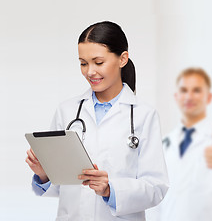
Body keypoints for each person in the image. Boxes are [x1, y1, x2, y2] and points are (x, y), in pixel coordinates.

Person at [25, 21, 169, 221]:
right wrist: (44, 174)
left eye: (98, 62)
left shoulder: (144, 115)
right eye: (83, 63)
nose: (90, 71)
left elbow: (156, 187)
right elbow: (62, 187)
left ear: (122, 59)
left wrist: (111, 189)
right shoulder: (66, 111)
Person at [146, 68, 212, 221]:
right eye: (184, 90)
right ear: (176, 97)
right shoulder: (165, 143)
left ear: (209, 98)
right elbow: (155, 198)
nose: (189, 96)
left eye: (196, 90)